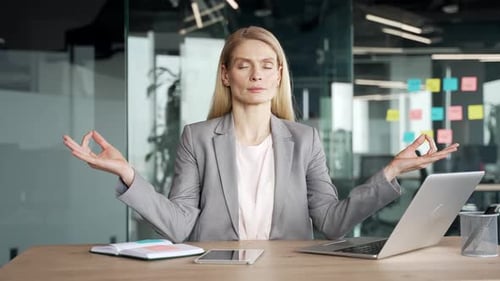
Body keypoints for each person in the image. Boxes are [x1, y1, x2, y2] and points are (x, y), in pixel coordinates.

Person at [63, 26, 459, 243]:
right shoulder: (197, 138)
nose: (257, 75)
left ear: (279, 75)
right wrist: (128, 174)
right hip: (214, 274)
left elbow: (333, 223)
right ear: (226, 74)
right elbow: (180, 225)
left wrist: (391, 171)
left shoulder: (304, 140)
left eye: (268, 65)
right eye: (245, 66)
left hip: (291, 271)